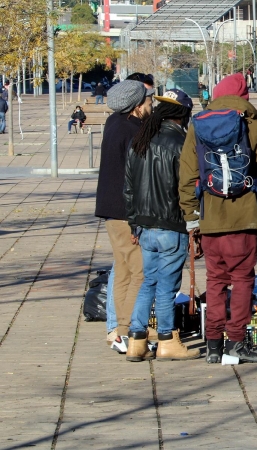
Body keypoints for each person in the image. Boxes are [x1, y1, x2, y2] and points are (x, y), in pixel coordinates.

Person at [178, 73, 257, 364]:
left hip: (209, 219)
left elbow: (186, 176)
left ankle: (212, 345)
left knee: (215, 280)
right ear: (243, 97)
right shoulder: (255, 127)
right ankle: (236, 342)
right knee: (243, 279)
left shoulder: (196, 127)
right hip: (244, 218)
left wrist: (191, 217)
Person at [123, 89, 199, 362]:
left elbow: (128, 189)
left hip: (144, 225)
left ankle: (136, 339)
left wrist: (134, 224)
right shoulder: (181, 144)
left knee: (148, 283)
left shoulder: (140, 140)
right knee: (167, 287)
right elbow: (188, 188)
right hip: (171, 224)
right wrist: (194, 222)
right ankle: (167, 339)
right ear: (183, 115)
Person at [95, 79, 154, 353]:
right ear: (136, 106)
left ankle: (120, 330)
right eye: (148, 101)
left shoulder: (113, 123)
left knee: (123, 272)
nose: (151, 104)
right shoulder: (133, 131)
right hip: (125, 211)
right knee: (140, 273)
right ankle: (129, 331)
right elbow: (138, 176)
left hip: (111, 209)